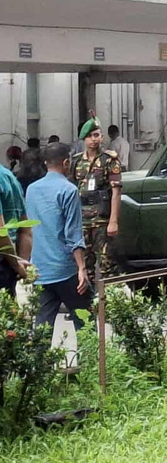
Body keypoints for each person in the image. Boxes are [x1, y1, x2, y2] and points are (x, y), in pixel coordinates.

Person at [26, 142, 91, 335]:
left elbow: (29, 228)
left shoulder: (31, 190)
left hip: (40, 269)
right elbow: (73, 234)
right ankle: (90, 364)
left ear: (46, 163)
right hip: (65, 270)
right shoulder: (69, 190)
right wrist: (81, 268)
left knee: (42, 329)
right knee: (85, 324)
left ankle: (40, 365)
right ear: (66, 163)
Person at [72, 117, 122, 277]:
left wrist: (113, 221)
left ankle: (109, 301)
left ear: (102, 137)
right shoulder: (77, 161)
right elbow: (72, 189)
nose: (94, 139)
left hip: (102, 219)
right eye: (90, 136)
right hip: (82, 220)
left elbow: (116, 192)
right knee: (85, 266)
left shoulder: (109, 160)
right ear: (84, 139)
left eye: (96, 135)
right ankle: (89, 301)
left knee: (107, 264)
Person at [0, 161, 32, 299]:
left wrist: (17, 264)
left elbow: (0, 231)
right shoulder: (9, 177)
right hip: (7, 264)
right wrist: (20, 264)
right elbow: (25, 229)